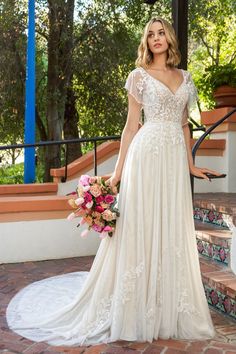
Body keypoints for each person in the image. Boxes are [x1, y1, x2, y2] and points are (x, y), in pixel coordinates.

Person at [6, 17, 221, 346]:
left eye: (161, 33)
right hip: (145, 156)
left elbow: (183, 125)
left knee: (168, 227)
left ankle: (165, 307)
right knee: (139, 225)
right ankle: (135, 307)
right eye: (150, 35)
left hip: (173, 163)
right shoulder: (139, 77)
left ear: (170, 38)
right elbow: (131, 127)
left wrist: (190, 165)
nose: (156, 38)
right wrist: (118, 173)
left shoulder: (186, 78)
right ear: (146, 42)